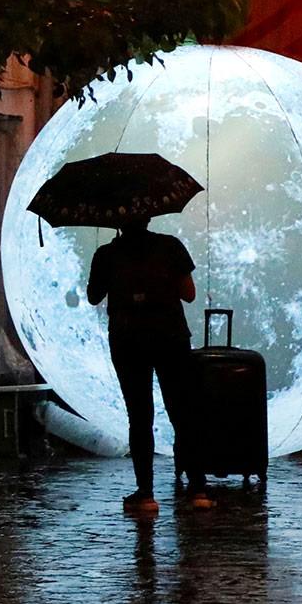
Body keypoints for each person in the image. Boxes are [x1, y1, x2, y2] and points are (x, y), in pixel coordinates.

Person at [87, 216, 213, 514]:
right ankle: (198, 490)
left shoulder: (107, 254)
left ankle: (145, 494)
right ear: (149, 216)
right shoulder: (170, 246)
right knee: (183, 412)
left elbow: (94, 297)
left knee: (139, 416)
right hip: (170, 337)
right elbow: (189, 294)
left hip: (127, 340)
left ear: (116, 221)